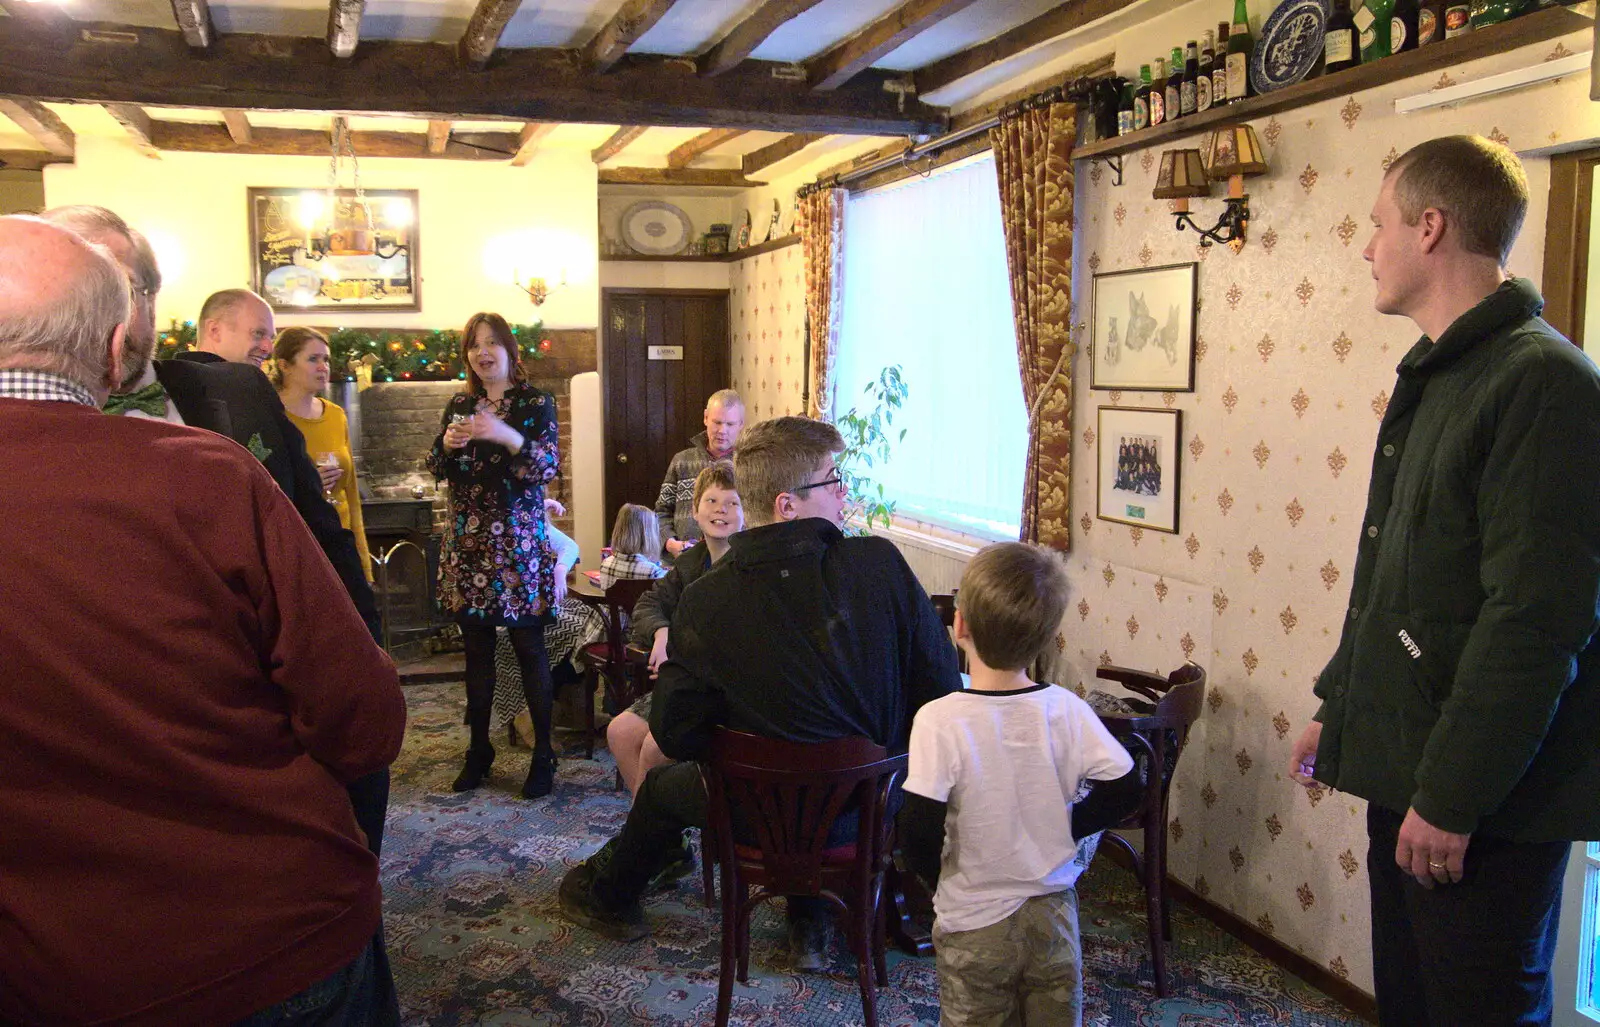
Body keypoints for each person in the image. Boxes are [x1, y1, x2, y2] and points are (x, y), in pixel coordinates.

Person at [0, 214, 407, 1026]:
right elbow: (363, 720)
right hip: (265, 940)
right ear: (119, 348)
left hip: (48, 972)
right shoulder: (204, 478)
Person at [1287, 135, 1600, 1026]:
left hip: (1483, 806)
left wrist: (1450, 796)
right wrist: (1341, 703)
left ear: (1431, 228)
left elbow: (1535, 622)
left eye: (1378, 223)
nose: (1366, 245)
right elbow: (1401, 576)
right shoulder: (1443, 371)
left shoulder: (1543, 381)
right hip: (1412, 770)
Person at [42, 206, 389, 860]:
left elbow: (317, 527)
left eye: (111, 277)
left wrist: (364, 646)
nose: (86, 301)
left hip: (270, 722)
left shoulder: (238, 390)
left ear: (145, 300)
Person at [559, 415, 962, 970]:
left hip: (752, 811)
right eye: (832, 478)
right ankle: (809, 921)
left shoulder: (706, 600)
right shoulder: (882, 566)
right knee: (806, 772)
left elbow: (676, 730)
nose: (843, 489)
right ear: (786, 504)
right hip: (869, 805)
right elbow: (941, 688)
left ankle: (610, 898)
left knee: (661, 789)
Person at [899, 543, 1134, 1027]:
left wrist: (935, 883)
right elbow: (1128, 787)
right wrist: (1070, 825)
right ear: (1048, 636)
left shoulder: (939, 720)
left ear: (959, 625)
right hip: (1053, 916)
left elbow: (919, 829)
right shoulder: (1067, 708)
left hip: (974, 919)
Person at [429, 311, 562, 800]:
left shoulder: (535, 402)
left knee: (530, 650)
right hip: (469, 542)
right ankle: (478, 749)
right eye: (474, 345)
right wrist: (447, 443)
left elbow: (544, 464)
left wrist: (503, 433)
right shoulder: (460, 403)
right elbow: (438, 467)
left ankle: (543, 753)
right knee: (477, 652)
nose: (482, 352)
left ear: (509, 350)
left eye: (491, 343)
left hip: (519, 543)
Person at [609, 460, 742, 797]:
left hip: (725, 694)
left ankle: (646, 839)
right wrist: (661, 632)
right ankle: (662, 839)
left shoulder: (747, 566)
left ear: (747, 513)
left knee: (656, 747)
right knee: (620, 732)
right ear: (694, 513)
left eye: (732, 503)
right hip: (683, 687)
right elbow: (648, 605)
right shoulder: (689, 563)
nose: (720, 510)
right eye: (711, 501)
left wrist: (680, 657)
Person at [274, 325, 373, 581]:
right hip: (298, 549)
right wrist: (309, 484)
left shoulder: (335, 415)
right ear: (285, 365)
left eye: (326, 359)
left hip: (341, 545)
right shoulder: (271, 418)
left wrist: (363, 563)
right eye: (313, 359)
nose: (323, 367)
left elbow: (351, 495)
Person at [656, 388, 743, 557]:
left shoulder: (749, 466)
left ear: (741, 424)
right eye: (717, 422)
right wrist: (670, 543)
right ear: (705, 418)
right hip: (681, 561)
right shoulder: (681, 461)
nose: (722, 430)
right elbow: (661, 511)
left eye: (730, 424)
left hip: (734, 563)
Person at [182, 287, 275, 366]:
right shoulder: (180, 383)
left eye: (271, 339)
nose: (269, 349)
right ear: (215, 330)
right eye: (258, 333)